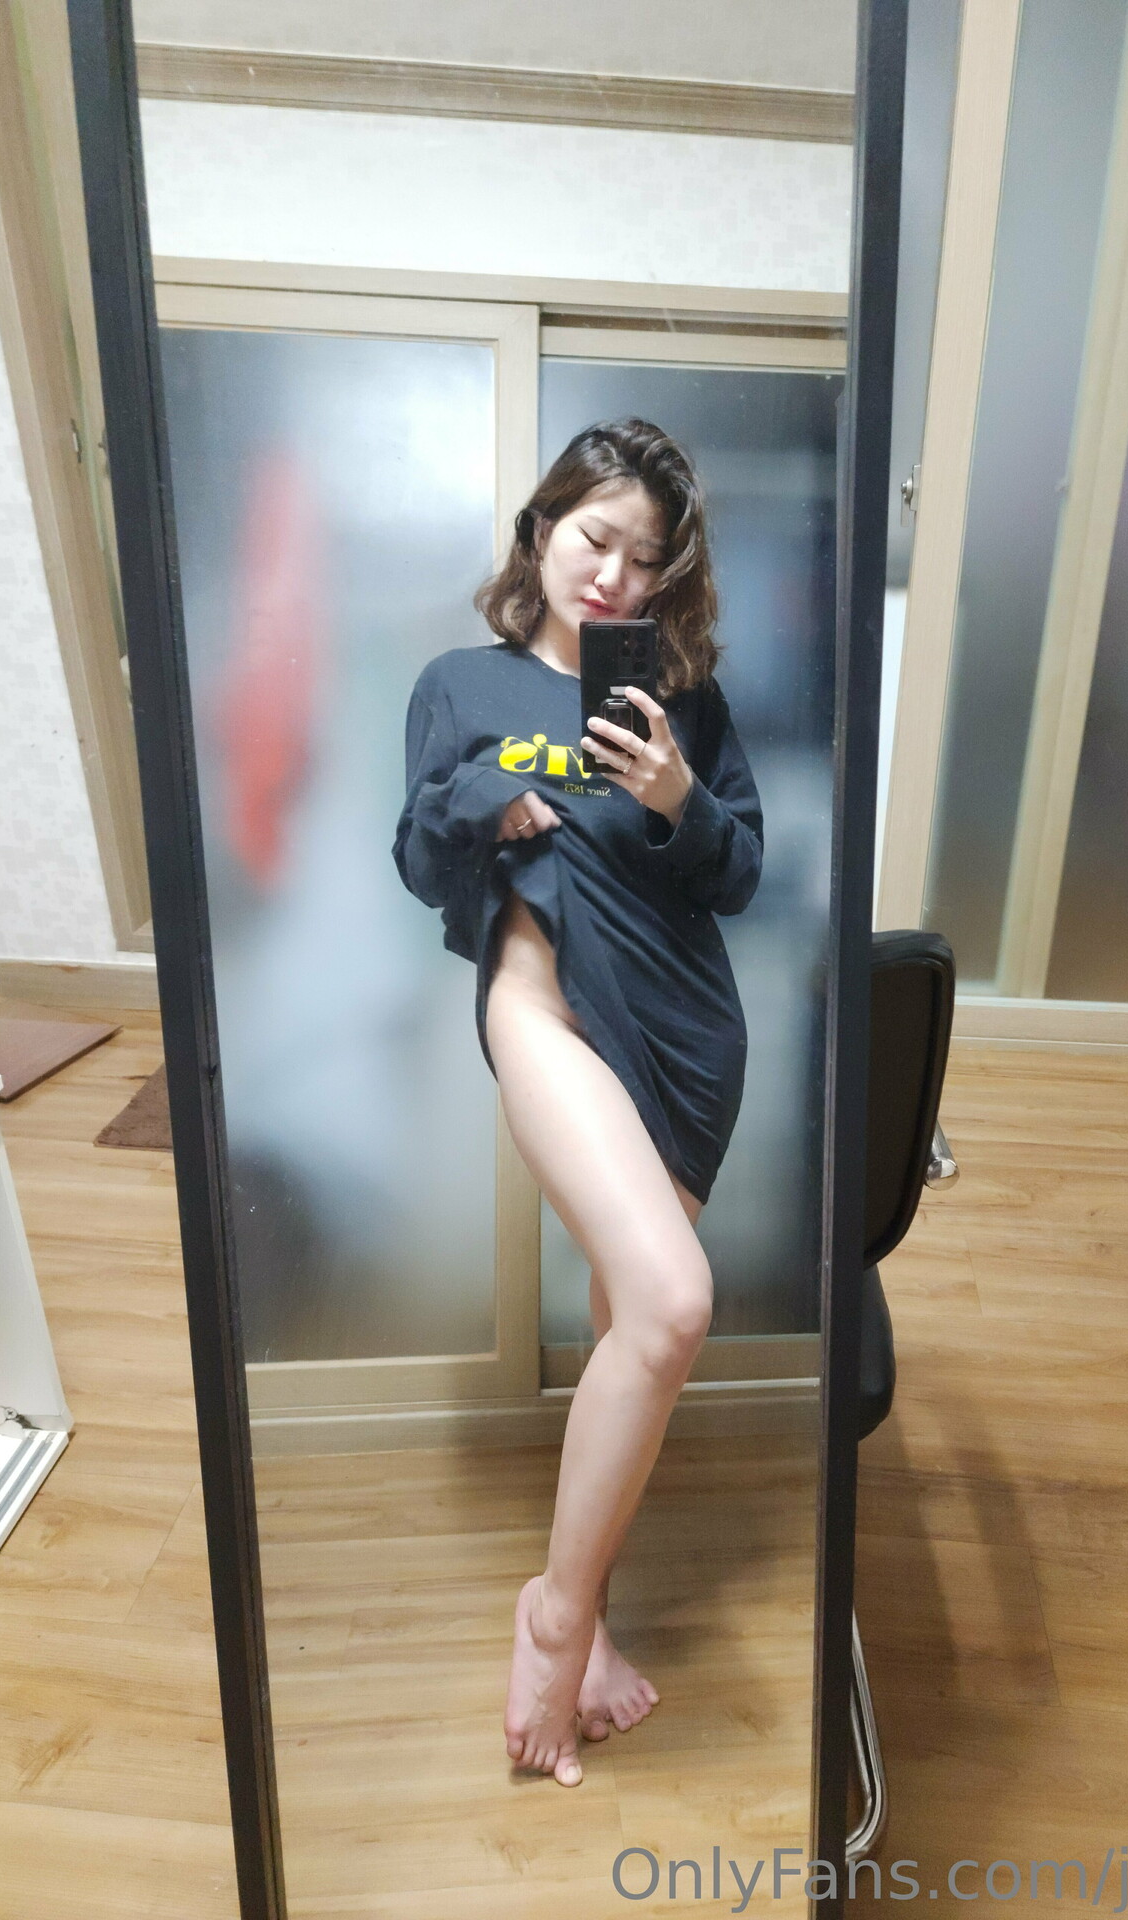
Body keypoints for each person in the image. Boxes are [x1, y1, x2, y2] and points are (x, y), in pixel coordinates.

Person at [392, 418, 763, 1786]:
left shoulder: (683, 703)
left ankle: (586, 1615)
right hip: (543, 1010)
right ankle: (553, 1619)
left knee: (629, 1337)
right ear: (544, 528)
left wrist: (677, 795)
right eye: (595, 538)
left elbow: (740, 872)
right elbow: (417, 857)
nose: (612, 577)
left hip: (684, 1034)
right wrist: (488, 799)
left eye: (644, 560)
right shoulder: (459, 683)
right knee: (672, 1305)